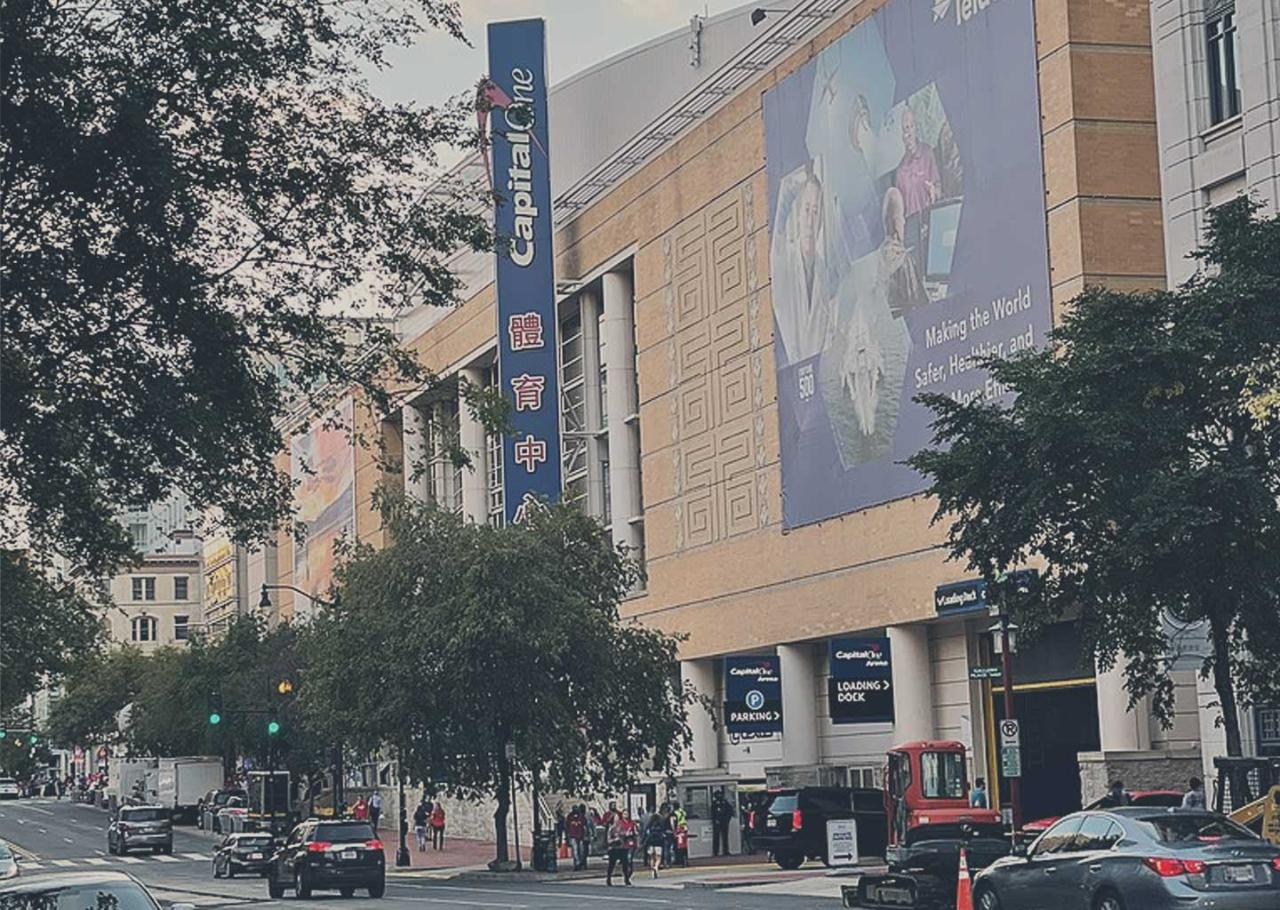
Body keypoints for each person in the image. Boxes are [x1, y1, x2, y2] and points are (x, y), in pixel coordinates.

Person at [606, 808, 637, 886]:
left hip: (623, 847)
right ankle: (608, 878)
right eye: (615, 818)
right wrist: (614, 840)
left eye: (617, 818)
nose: (617, 820)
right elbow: (608, 840)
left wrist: (627, 835)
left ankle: (626, 879)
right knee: (611, 864)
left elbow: (627, 834)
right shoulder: (611, 829)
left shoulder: (621, 826)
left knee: (625, 864)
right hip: (614, 848)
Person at [643, 811, 669, 878]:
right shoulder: (661, 825)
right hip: (659, 843)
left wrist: (643, 841)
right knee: (658, 858)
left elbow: (645, 833)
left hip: (650, 843)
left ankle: (652, 871)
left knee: (651, 858)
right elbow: (664, 833)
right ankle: (656, 867)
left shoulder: (649, 826)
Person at [711, 789, 734, 857]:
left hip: (724, 822)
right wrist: (715, 820)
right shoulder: (715, 803)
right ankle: (715, 852)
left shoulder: (725, 803)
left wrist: (727, 819)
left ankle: (726, 851)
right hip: (717, 823)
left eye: (720, 794)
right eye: (717, 795)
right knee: (716, 837)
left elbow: (730, 811)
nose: (719, 796)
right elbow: (713, 813)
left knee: (725, 837)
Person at [565, 804, 588, 871]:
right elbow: (567, 827)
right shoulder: (569, 817)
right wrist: (567, 836)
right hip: (573, 835)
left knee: (581, 851)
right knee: (575, 851)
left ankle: (581, 863)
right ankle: (577, 864)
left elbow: (585, 826)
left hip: (581, 836)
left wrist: (585, 835)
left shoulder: (581, 817)